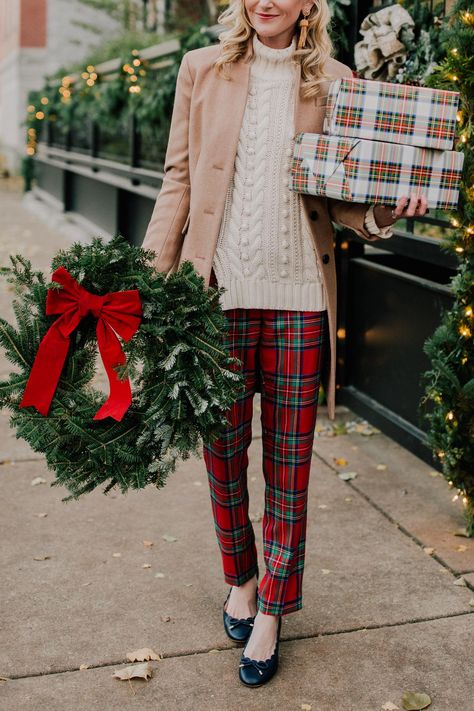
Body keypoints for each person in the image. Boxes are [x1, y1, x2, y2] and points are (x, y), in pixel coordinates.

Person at [142, 0, 428, 687]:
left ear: (308, 4)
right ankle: (239, 575)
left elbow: (350, 203)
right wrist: (152, 281)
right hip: (218, 296)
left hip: (300, 298)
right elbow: (178, 179)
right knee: (223, 453)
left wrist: (390, 206)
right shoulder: (200, 70)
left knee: (291, 466)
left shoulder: (337, 83)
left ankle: (273, 605)